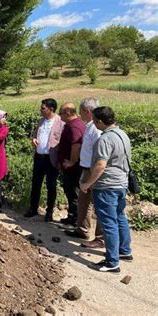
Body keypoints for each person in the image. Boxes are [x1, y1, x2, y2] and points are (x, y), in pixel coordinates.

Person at [80, 106, 133, 273]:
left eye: (95, 121)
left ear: (100, 121)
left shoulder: (105, 139)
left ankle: (112, 262)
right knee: (119, 217)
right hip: (121, 183)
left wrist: (87, 184)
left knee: (108, 223)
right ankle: (124, 251)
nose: (93, 124)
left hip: (106, 185)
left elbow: (100, 165)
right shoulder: (122, 134)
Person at [64, 98, 104, 248]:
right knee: (83, 201)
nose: (79, 115)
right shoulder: (89, 126)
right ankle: (82, 229)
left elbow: (101, 153)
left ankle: (100, 238)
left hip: (94, 170)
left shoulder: (97, 129)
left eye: (80, 112)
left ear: (88, 111)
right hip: (86, 168)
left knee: (98, 203)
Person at [25, 98, 65, 221]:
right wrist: (33, 139)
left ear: (51, 109)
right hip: (39, 156)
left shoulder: (60, 122)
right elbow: (35, 135)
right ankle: (33, 208)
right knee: (36, 183)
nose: (40, 110)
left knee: (51, 186)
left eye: (43, 108)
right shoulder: (41, 121)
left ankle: (49, 212)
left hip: (51, 158)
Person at [57, 102, 86, 226]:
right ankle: (72, 216)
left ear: (68, 113)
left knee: (73, 192)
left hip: (73, 168)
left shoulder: (73, 126)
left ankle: (75, 219)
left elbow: (76, 145)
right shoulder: (75, 124)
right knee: (71, 192)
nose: (60, 116)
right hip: (72, 166)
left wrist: (72, 161)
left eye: (61, 113)